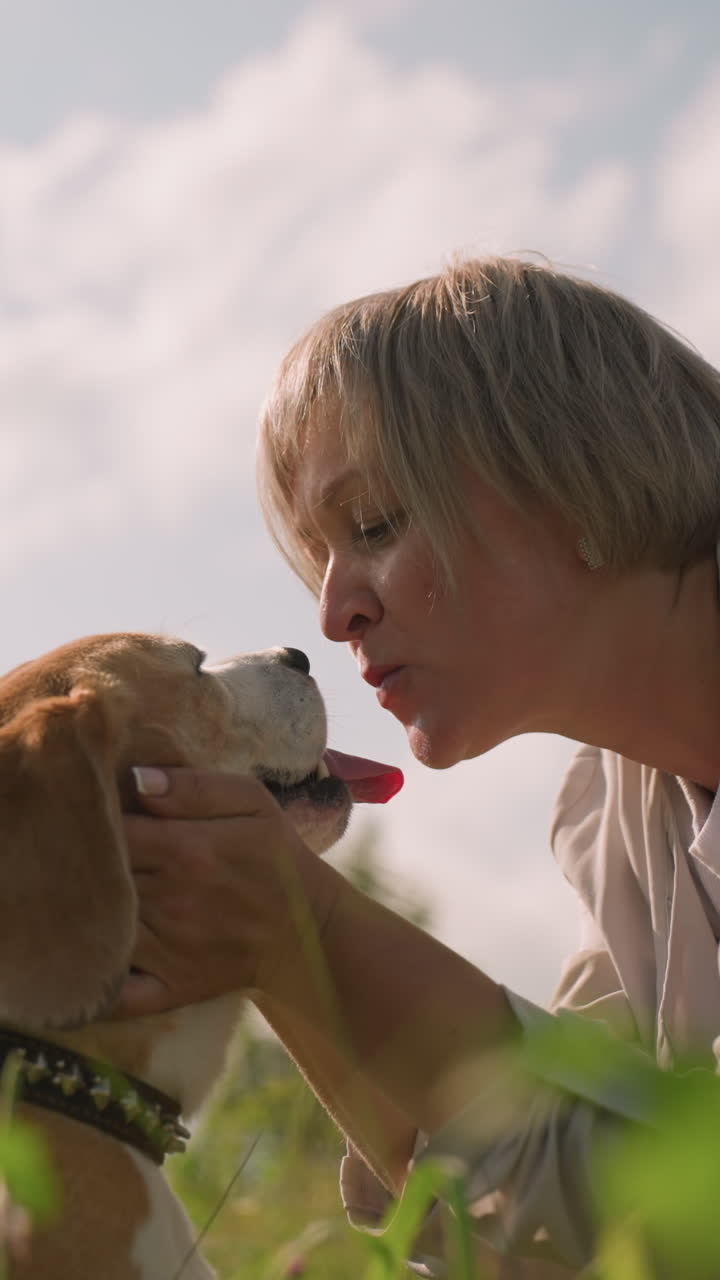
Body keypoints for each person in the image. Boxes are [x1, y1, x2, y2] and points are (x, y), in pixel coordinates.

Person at [121, 255, 720, 1277]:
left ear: (566, 471)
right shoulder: (616, 811)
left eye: (375, 524)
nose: (333, 611)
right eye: (320, 555)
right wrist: (274, 947)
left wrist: (301, 924)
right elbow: (541, 1221)